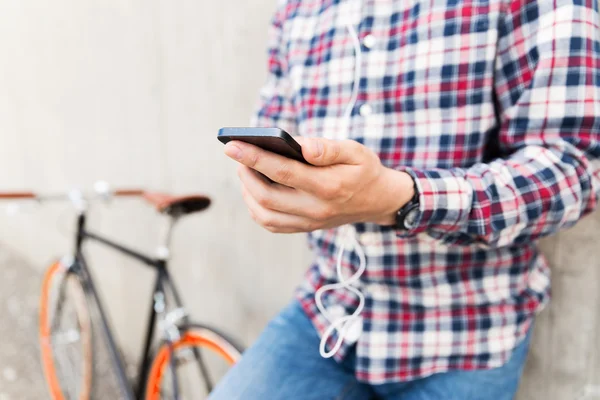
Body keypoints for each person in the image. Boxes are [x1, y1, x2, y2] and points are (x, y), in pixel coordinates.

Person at [210, 0, 600, 398]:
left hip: (469, 328)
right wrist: (272, 181)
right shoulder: (298, 10)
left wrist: (403, 199)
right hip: (329, 309)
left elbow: (573, 169)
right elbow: (276, 128)